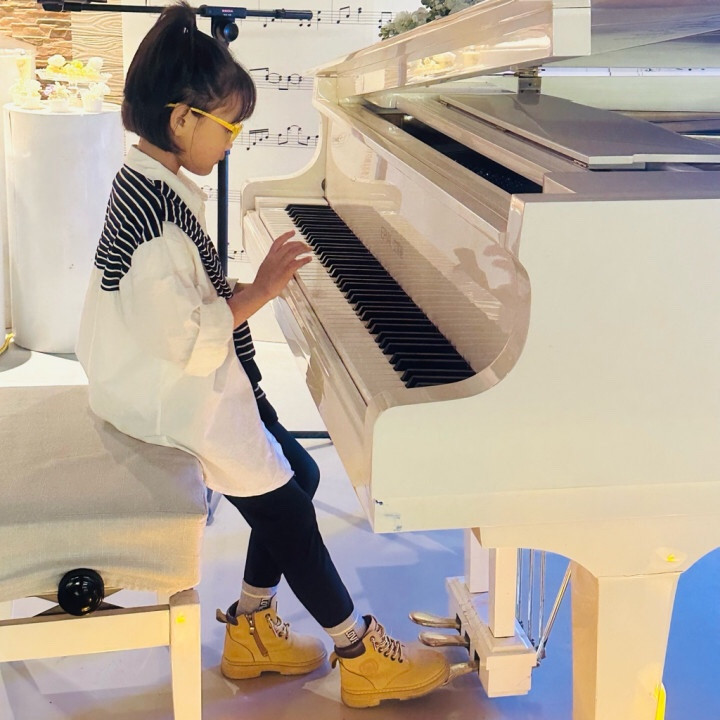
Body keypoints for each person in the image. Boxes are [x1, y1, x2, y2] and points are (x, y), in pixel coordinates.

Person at [76, 1, 450, 709]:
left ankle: (251, 627)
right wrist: (262, 291)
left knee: (299, 471)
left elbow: (179, 312)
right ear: (182, 119)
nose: (234, 141)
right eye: (229, 126)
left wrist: (243, 294)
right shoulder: (156, 221)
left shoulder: (148, 180)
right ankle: (358, 653)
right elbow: (184, 341)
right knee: (288, 508)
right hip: (167, 396)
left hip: (156, 376)